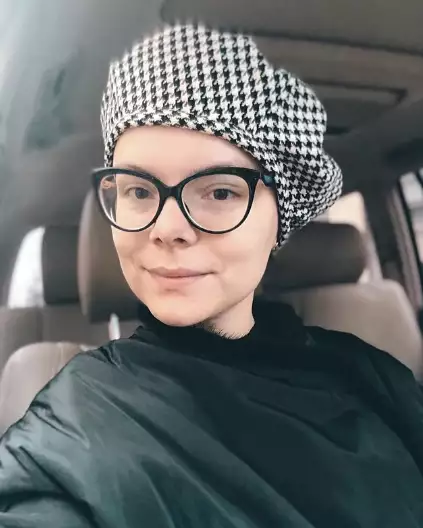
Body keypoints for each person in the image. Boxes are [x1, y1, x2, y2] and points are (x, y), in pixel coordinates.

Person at [0, 23, 422, 528]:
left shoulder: (373, 374)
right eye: (138, 191)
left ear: (280, 219)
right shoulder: (73, 421)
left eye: (220, 192)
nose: (166, 228)